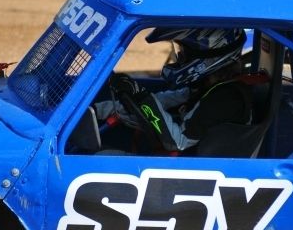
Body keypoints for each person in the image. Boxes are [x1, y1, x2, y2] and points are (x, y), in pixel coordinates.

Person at [95, 27, 252, 153]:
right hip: (183, 166)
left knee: (103, 159)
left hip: (195, 176)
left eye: (185, 53)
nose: (180, 57)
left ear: (210, 55)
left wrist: (141, 96)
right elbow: (164, 100)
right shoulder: (206, 86)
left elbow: (177, 142)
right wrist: (98, 111)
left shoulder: (227, 99)